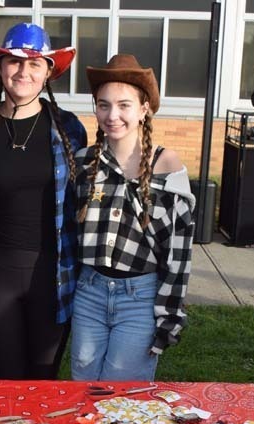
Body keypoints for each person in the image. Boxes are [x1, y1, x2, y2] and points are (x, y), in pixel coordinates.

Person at [0, 23, 87, 380]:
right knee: (2, 383)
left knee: (43, 383)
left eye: (35, 64)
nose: (23, 72)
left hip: (53, 277)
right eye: (14, 62)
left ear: (48, 72)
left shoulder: (68, 129)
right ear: (0, 67)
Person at [71, 54, 195, 381]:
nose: (112, 115)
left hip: (139, 298)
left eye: (124, 105)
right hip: (89, 292)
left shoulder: (166, 164)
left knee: (123, 390)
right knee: (83, 382)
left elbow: (178, 251)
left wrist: (169, 314)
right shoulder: (83, 163)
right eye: (104, 105)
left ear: (144, 110)